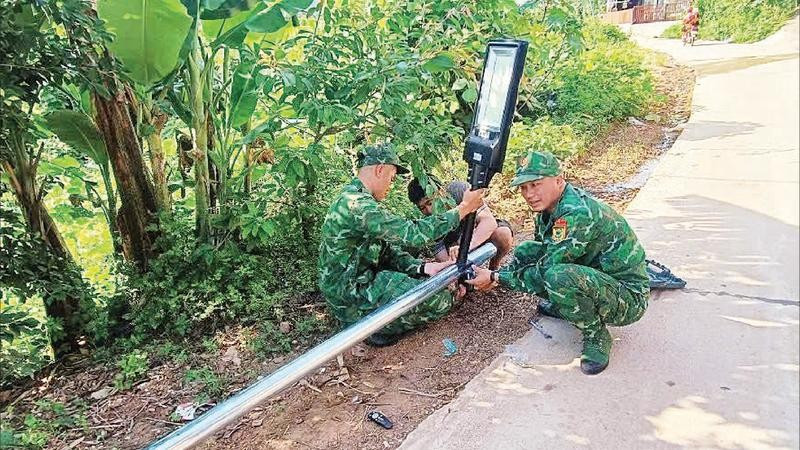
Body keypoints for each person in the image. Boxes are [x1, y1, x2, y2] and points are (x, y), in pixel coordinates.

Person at [466, 151, 650, 375]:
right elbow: (545, 251)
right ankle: (567, 303)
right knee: (526, 251)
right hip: (600, 276)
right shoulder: (549, 208)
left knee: (557, 277)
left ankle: (596, 334)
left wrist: (496, 277)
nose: (529, 194)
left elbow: (547, 270)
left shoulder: (574, 213)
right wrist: (501, 277)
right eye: (524, 187)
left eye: (535, 184)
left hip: (628, 298)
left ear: (558, 180)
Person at [318, 143, 486, 347]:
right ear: (380, 169)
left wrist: (423, 267)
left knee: (429, 285)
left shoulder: (357, 198)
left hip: (365, 282)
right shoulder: (356, 205)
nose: (391, 184)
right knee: (440, 298)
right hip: (353, 296)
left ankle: (379, 321)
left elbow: (385, 251)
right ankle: (369, 326)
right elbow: (412, 234)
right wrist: (464, 208)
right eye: (391, 177)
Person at [407, 178, 513, 270]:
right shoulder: (427, 225)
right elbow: (442, 257)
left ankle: (494, 266)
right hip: (453, 246)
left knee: (503, 234)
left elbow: (489, 222)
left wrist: (465, 247)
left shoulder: (458, 190)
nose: (429, 210)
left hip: (476, 234)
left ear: (440, 192)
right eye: (422, 208)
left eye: (430, 202)